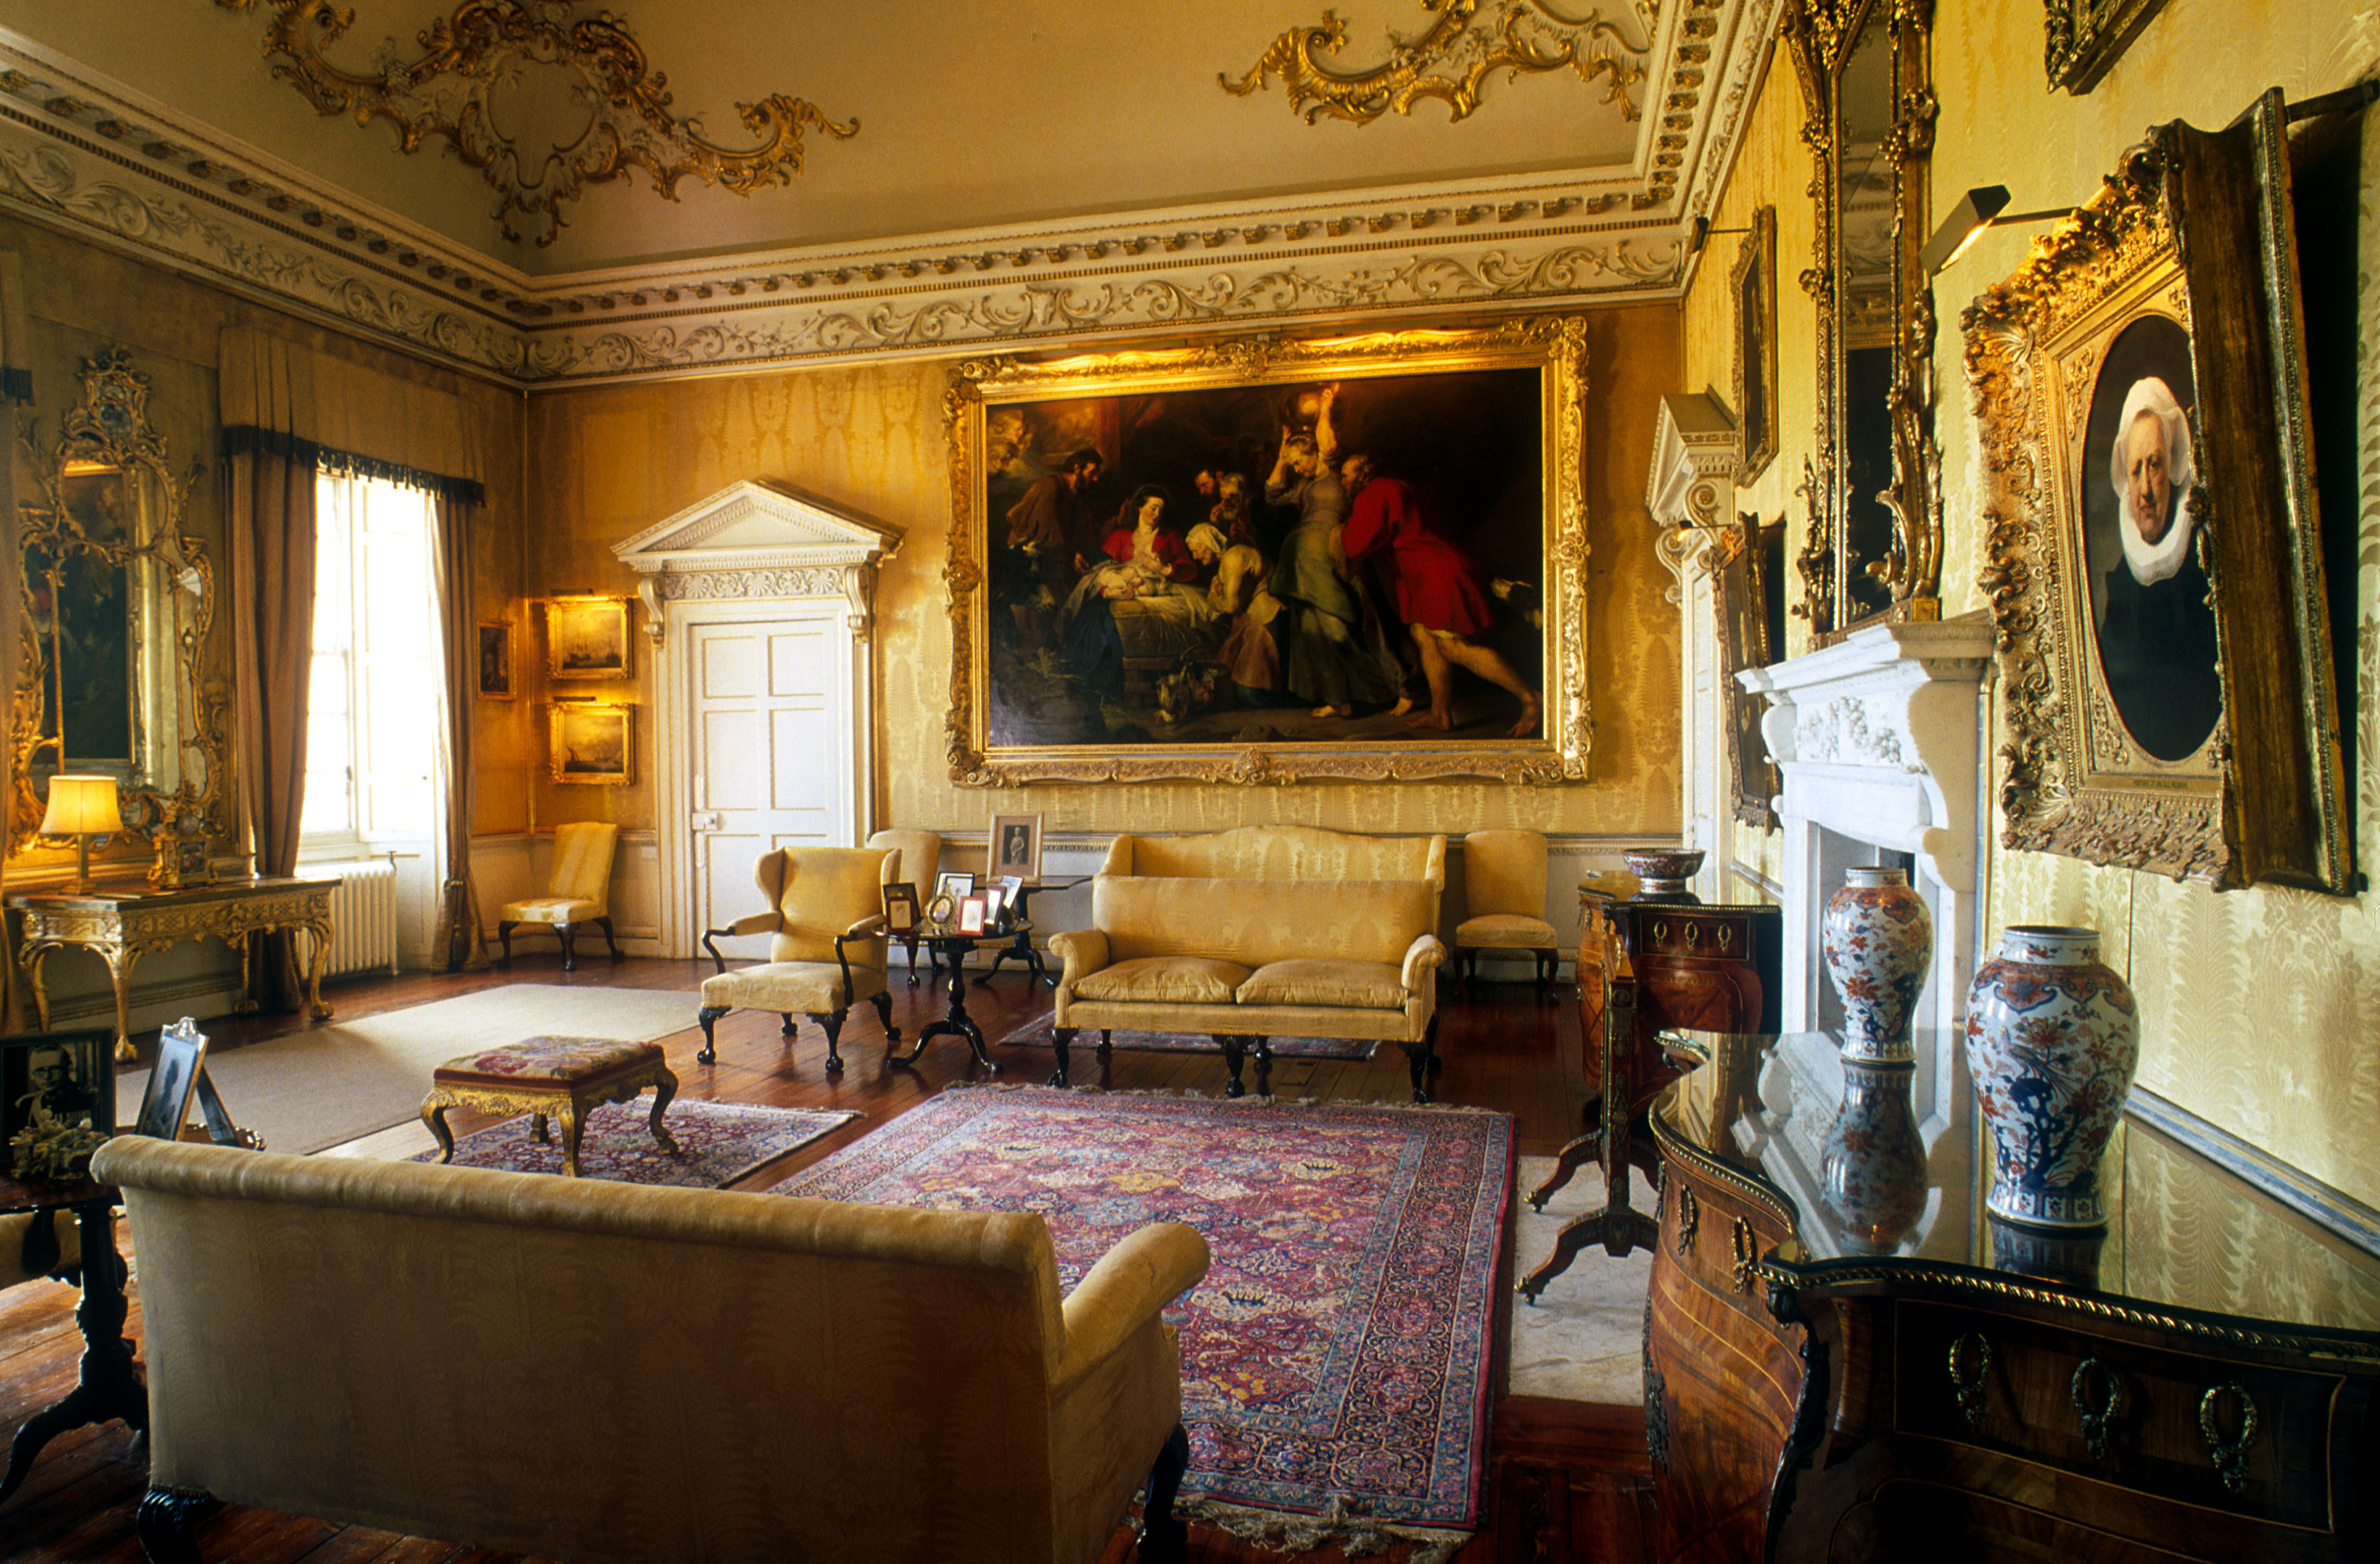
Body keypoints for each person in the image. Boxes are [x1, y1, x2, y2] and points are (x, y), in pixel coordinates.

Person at [1340, 453, 1542, 737]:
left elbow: (1354, 546)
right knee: (1425, 637)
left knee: (1453, 647)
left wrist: (1341, 529)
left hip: (1435, 575)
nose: (1343, 481)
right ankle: (1440, 714)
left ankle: (1530, 697)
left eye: (1347, 475)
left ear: (1362, 476)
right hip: (1432, 571)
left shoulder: (1372, 496)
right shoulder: (1399, 486)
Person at [2095, 375, 2219, 762]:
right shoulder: (2121, 576)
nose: (2146, 490)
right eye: (2136, 471)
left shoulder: (2205, 556)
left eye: (2156, 465)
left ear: (2175, 463)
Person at [1264, 385, 1403, 717]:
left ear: (1314, 454)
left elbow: (1327, 445)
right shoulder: (1304, 488)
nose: (1298, 469)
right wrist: (1284, 455)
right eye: (1294, 466)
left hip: (1327, 559)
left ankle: (1390, 688)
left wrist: (1325, 408)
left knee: (1337, 631)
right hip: (1299, 563)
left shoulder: (1332, 474)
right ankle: (1336, 698)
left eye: (1301, 462)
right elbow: (1271, 494)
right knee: (1312, 635)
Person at [19, 1046, 93, 1134]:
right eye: (40, 1071)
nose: (47, 1077)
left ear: (69, 1068)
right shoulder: (26, 1104)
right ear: (32, 1074)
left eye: (55, 1069)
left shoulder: (91, 1097)